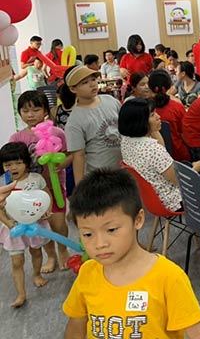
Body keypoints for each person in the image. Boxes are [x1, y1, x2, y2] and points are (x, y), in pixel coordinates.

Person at [62, 168, 200, 339]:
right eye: (88, 234)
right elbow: (76, 326)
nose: (100, 244)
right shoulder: (87, 273)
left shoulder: (168, 277)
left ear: (138, 220)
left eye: (111, 230)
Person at [10, 90, 69, 271]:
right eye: (25, 111)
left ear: (45, 111)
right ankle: (51, 256)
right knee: (42, 226)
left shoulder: (57, 132)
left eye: (36, 110)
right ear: (20, 113)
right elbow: (12, 164)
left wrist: (61, 165)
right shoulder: (17, 138)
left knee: (58, 223)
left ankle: (63, 250)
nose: (30, 115)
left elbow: (68, 155)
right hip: (31, 191)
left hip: (54, 186)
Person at [119, 99, 200, 212]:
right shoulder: (153, 150)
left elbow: (162, 148)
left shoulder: (126, 140)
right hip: (174, 201)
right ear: (140, 122)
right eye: (152, 115)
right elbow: (179, 180)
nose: (159, 117)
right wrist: (196, 168)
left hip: (151, 199)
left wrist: (152, 128)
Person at [0, 142, 50, 308]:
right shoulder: (3, 184)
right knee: (17, 261)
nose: (13, 167)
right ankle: (21, 294)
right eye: (8, 164)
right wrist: (8, 223)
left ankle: (36, 274)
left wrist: (46, 210)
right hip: (13, 228)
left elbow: (46, 195)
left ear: (27, 163)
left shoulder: (36, 179)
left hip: (34, 225)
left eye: (18, 163)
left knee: (36, 252)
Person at [64, 65, 121, 183]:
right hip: (99, 177)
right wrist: (80, 187)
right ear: (73, 89)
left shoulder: (111, 101)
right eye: (85, 82)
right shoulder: (74, 121)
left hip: (123, 170)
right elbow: (78, 156)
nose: (92, 84)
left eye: (93, 79)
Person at [149, 70, 190, 162]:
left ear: (150, 86)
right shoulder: (177, 107)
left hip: (154, 156)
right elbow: (185, 133)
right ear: (169, 86)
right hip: (178, 155)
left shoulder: (144, 108)